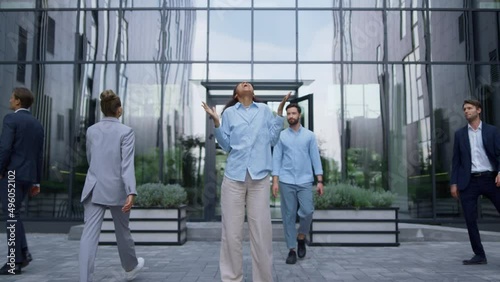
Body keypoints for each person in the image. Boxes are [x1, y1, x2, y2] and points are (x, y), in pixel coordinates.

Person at [202, 81, 290, 282]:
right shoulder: (230, 114)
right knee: (231, 234)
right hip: (234, 178)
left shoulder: (265, 111)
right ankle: (232, 278)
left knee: (261, 234)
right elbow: (226, 145)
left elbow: (273, 140)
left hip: (259, 179)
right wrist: (216, 122)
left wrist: (279, 114)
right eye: (241, 84)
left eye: (248, 83)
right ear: (236, 94)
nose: (245, 83)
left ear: (253, 92)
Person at [79, 90, 144, 282]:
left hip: (94, 187)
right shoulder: (126, 131)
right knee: (122, 231)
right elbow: (126, 164)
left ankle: (85, 279)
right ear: (119, 110)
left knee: (88, 236)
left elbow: (90, 158)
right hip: (117, 189)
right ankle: (131, 267)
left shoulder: (91, 130)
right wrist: (131, 191)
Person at [271, 103, 324, 265]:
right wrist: (275, 181)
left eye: (293, 113)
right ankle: (292, 249)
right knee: (288, 216)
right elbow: (277, 158)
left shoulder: (309, 136)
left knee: (307, 211)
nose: (291, 116)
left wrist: (320, 180)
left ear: (299, 115)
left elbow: (315, 158)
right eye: (288, 114)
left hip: (305, 180)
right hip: (286, 181)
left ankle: (301, 236)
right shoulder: (281, 136)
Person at [450, 99, 500, 265]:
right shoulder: (460, 134)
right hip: (469, 181)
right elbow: (456, 161)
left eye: (470, 108)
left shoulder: (492, 131)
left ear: (478, 110)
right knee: (470, 220)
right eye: (464, 109)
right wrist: (454, 183)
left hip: (491, 179)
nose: (466, 111)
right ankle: (479, 255)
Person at [0, 88, 43, 275]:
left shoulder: (11, 119)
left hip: (11, 175)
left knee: (11, 216)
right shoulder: (37, 124)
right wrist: (37, 182)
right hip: (28, 177)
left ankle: (14, 263)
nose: (10, 100)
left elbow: (5, 148)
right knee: (14, 215)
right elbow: (39, 155)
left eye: (12, 97)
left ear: (18, 102)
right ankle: (23, 254)